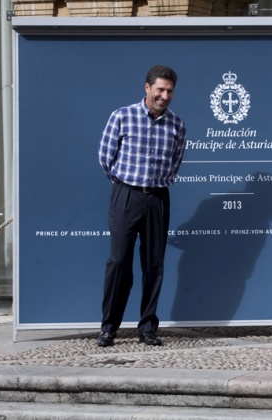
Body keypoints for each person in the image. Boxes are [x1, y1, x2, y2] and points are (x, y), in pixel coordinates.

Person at [97, 65, 186, 347]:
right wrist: (126, 184)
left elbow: (175, 163)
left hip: (158, 198)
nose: (164, 95)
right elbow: (105, 157)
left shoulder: (177, 125)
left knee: (154, 264)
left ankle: (148, 327)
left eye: (169, 91)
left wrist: (155, 186)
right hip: (126, 194)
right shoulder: (122, 117)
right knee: (119, 261)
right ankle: (109, 327)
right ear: (147, 88)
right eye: (159, 89)